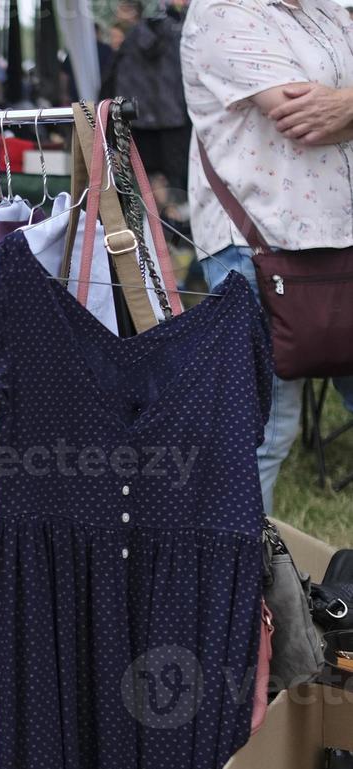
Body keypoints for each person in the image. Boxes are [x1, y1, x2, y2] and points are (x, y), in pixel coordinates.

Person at [182, 0, 353, 511]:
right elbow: (303, 119)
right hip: (259, 244)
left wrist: (345, 105)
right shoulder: (223, 11)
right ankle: (242, 584)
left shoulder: (333, 9)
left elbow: (332, 114)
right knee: (265, 430)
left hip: (340, 237)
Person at [107, 1, 190, 195]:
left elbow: (111, 82)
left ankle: (154, 221)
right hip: (175, 120)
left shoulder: (130, 40)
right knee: (179, 183)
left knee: (145, 182)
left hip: (138, 121)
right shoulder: (178, 35)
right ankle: (176, 222)